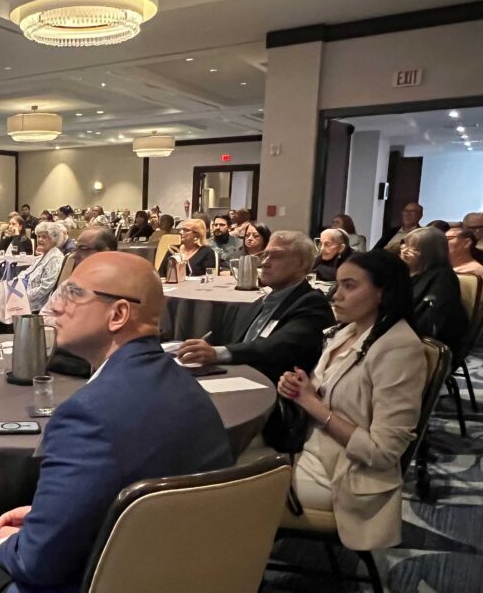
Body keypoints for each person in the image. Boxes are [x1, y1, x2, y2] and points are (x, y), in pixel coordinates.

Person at [0, 252, 233, 593]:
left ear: (118, 314)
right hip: (187, 569)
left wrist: (10, 543)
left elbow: (35, 563)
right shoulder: (185, 386)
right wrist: (50, 516)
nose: (55, 307)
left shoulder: (88, 415)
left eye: (73, 294)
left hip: (105, 580)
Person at [279, 250, 426, 550]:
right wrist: (301, 388)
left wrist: (311, 404)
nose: (336, 296)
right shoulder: (349, 331)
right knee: (226, 459)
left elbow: (382, 452)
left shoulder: (399, 348)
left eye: (350, 286)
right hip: (309, 448)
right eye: (338, 285)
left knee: (229, 487)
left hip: (345, 473)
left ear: (383, 292)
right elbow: (328, 393)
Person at [175, 231, 335, 384]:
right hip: (234, 376)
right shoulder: (262, 301)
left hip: (271, 388)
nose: (264, 263)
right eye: (265, 255)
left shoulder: (312, 304)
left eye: (276, 256)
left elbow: (278, 346)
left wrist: (217, 353)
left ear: (302, 265)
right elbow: (231, 338)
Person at [399, 227, 469, 354]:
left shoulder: (443, 278)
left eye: (412, 247)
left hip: (423, 343)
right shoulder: (404, 273)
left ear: (429, 252)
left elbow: (432, 320)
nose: (404, 250)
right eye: (404, 245)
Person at [20, 222, 67, 313]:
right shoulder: (41, 257)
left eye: (44, 237)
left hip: (37, 306)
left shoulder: (55, 259)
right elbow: (25, 273)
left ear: (54, 239)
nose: (40, 240)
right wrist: (13, 287)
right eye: (38, 236)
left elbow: (44, 289)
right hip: (23, 296)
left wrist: (21, 296)